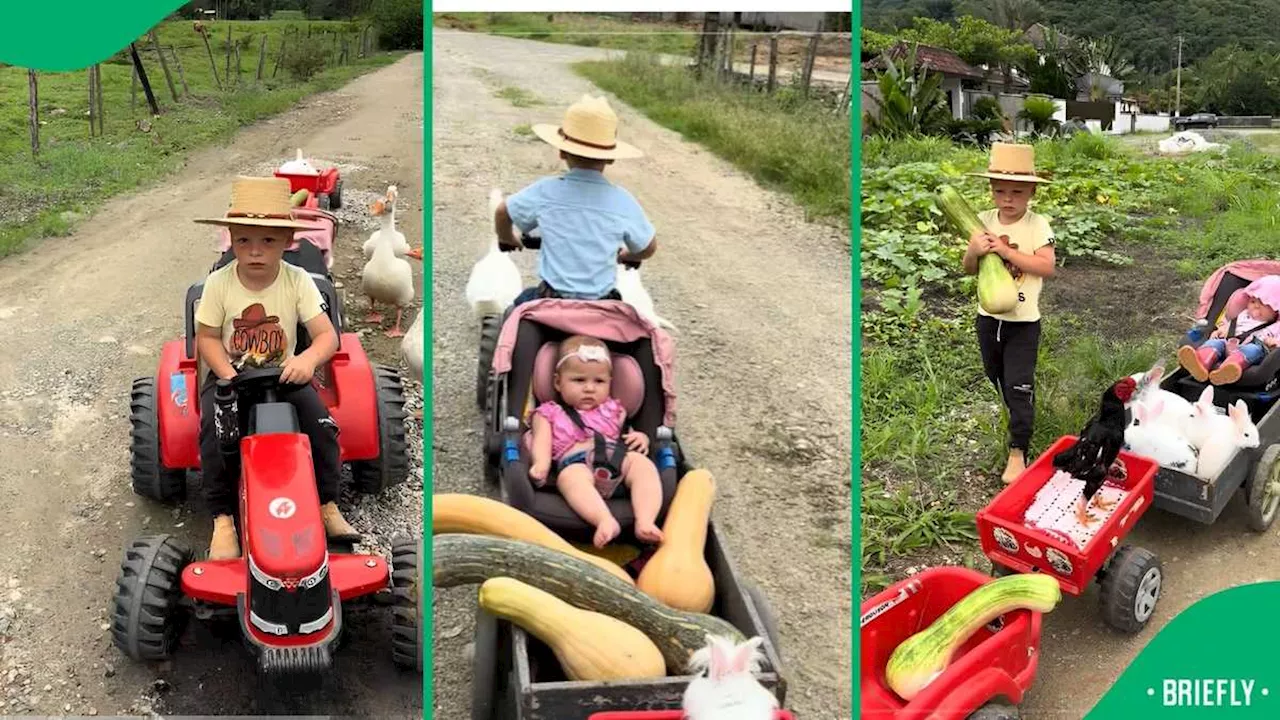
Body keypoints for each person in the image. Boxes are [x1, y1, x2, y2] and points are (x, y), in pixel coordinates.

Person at [192, 176, 359, 560]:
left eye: (267, 240)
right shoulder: (219, 284)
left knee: (321, 426)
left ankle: (327, 504)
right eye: (244, 240)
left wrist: (306, 360)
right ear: (231, 240)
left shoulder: (296, 280)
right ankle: (222, 519)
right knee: (213, 434)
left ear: (288, 242)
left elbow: (326, 337)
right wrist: (226, 375)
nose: (255, 251)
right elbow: (209, 338)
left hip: (284, 375)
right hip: (230, 376)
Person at [494, 95, 657, 305]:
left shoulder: (545, 190)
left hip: (550, 300)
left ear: (561, 152)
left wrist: (507, 237)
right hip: (601, 304)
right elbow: (648, 247)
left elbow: (502, 211)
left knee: (515, 312)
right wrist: (630, 255)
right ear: (611, 157)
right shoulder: (623, 201)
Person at [961, 143, 1056, 484]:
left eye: (1017, 191)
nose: (1008, 198)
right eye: (1000, 190)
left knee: (1018, 384)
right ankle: (1015, 411)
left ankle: (1019, 448)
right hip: (988, 320)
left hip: (1023, 325)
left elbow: (1047, 267)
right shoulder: (982, 221)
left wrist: (1003, 250)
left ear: (1031, 191)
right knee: (995, 375)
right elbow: (970, 269)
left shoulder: (1036, 225)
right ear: (991, 190)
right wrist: (974, 250)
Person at [528, 335, 664, 548]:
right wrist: (541, 464)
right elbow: (541, 442)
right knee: (570, 479)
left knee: (643, 466)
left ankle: (645, 520)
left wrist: (642, 437)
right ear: (558, 382)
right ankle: (604, 520)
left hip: (617, 458)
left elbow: (627, 432)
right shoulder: (549, 412)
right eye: (579, 380)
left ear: (610, 383)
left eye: (599, 381)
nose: (590, 388)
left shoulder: (614, 408)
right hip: (577, 462)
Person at [1178, 276, 1280, 385]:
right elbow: (1230, 325)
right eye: (1253, 301)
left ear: (1276, 309)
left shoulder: (1276, 326)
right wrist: (1221, 331)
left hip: (1252, 351)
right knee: (1215, 342)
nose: (1256, 306)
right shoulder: (1243, 315)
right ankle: (1201, 364)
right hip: (1228, 343)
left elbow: (1276, 342)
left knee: (1253, 349)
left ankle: (1228, 370)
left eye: (1263, 304)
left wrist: (1272, 342)